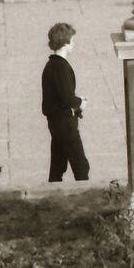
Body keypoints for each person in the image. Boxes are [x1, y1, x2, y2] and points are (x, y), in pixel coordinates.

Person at [42, 21, 90, 182]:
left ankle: (52, 191)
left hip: (55, 122)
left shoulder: (51, 65)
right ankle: (84, 194)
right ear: (65, 43)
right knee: (81, 165)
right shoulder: (61, 67)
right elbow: (67, 97)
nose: (73, 44)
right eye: (72, 41)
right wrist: (80, 102)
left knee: (58, 165)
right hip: (64, 123)